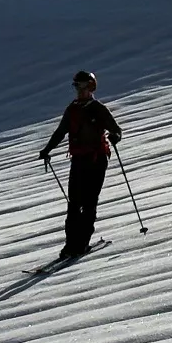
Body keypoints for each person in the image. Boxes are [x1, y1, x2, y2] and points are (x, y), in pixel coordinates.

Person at [40, 70, 121, 261]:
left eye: (81, 86)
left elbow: (115, 129)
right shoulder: (73, 109)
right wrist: (47, 149)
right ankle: (71, 245)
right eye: (76, 86)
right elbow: (61, 132)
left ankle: (81, 243)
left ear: (91, 87)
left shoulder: (98, 109)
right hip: (78, 160)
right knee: (74, 203)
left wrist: (115, 136)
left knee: (89, 201)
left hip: (96, 159)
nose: (78, 90)